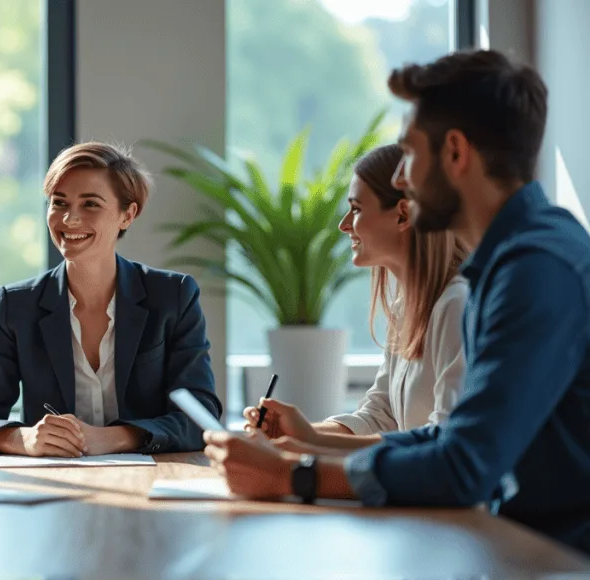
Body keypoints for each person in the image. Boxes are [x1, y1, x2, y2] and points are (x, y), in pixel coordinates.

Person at [204, 49, 590, 555]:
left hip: (553, 557)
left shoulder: (536, 270)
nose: (403, 178)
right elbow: (452, 437)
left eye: (409, 153)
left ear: (455, 153)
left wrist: (297, 476)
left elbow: (462, 467)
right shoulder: (507, 264)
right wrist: (309, 447)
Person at [0, 142, 222, 456]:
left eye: (90, 204)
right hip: (55, 486)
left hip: (153, 483)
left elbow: (201, 418)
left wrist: (110, 438)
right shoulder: (17, 305)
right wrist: (23, 439)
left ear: (127, 214)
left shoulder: (173, 297)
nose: (69, 219)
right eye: (59, 202)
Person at [245, 144, 469, 456]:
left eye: (357, 208)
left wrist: (310, 442)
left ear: (403, 214)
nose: (344, 224)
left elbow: (443, 442)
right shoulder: (406, 308)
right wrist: (294, 433)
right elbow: (379, 417)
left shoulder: (457, 306)